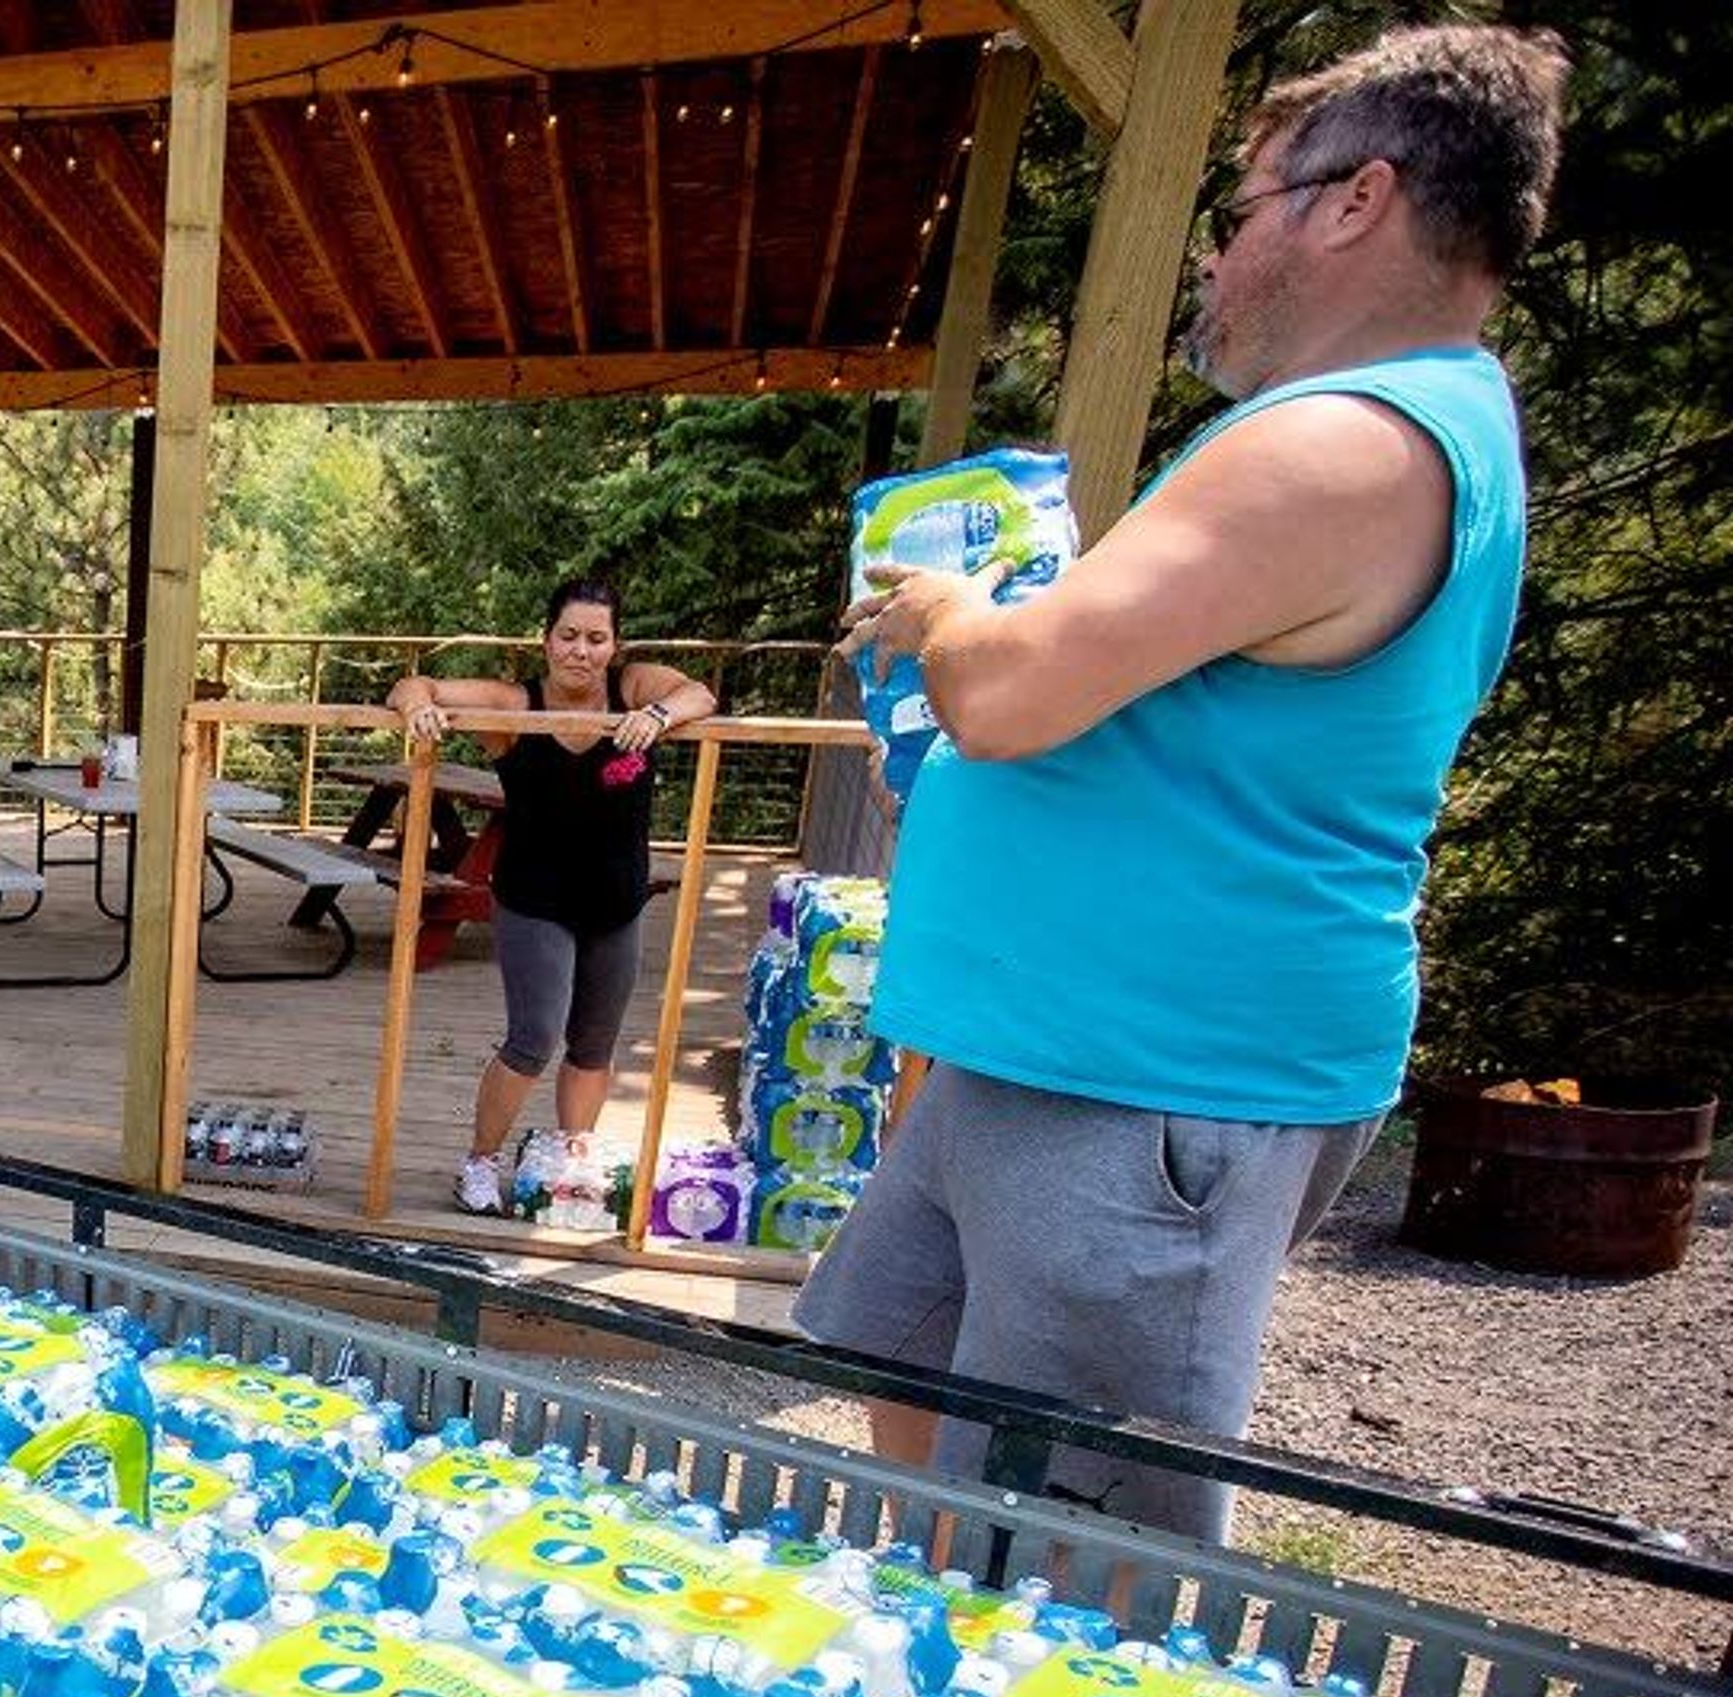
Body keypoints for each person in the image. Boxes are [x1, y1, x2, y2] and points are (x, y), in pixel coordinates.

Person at [806, 24, 1566, 1541]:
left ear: (1356, 200)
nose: (1218, 259)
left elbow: (1013, 694)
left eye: (1242, 208)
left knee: (1082, 1544)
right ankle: (939, 1636)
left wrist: (954, 616)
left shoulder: (1340, 445)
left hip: (1151, 1090)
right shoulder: (1391, 425)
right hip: (1050, 1057)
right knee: (892, 1346)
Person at [386, 580, 716, 1218]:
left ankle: (573, 1156)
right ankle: (478, 1164)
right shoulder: (516, 704)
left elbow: (698, 694)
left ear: (614, 645)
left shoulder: (635, 688)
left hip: (617, 902)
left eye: (597, 639)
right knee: (534, 1037)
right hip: (535, 900)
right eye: (569, 636)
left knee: (594, 1042)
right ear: (546, 640)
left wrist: (659, 716)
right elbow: (412, 686)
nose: (582, 651)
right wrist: (416, 708)